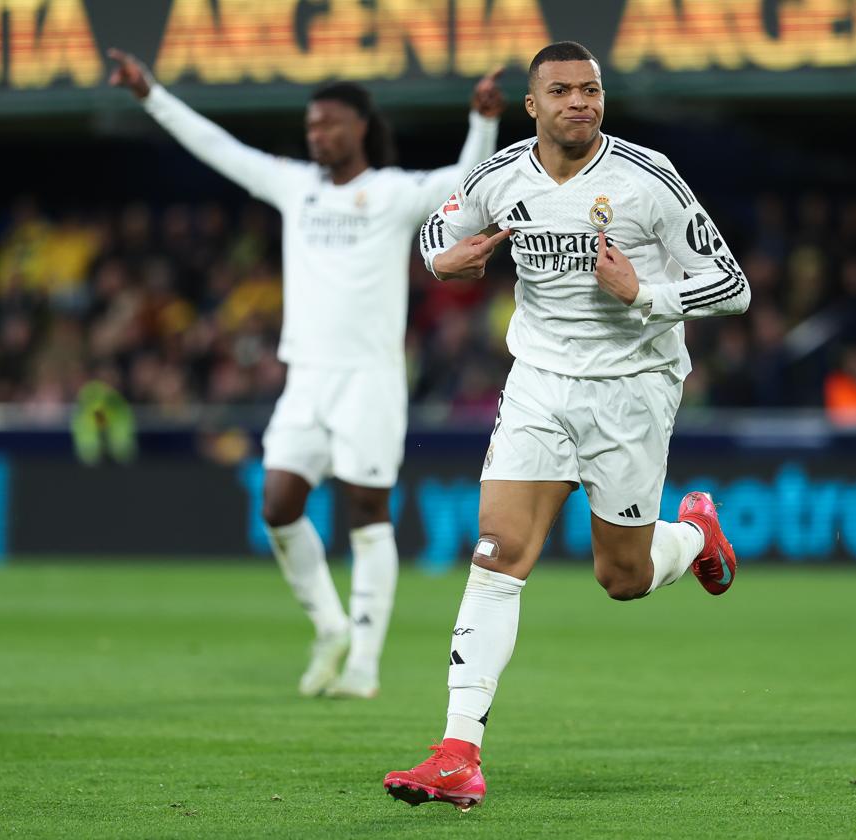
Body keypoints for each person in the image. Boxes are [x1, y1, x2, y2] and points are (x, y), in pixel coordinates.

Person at [382, 41, 749, 811]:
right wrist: (444, 264)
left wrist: (643, 292)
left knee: (622, 577)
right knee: (497, 553)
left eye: (591, 89)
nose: (579, 102)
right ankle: (457, 753)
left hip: (633, 388)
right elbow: (434, 234)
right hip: (539, 384)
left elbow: (733, 285)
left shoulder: (649, 179)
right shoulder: (498, 176)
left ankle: (692, 537)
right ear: (533, 105)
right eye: (562, 91)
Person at [107, 49, 505, 700]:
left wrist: (482, 123)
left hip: (370, 376)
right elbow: (217, 147)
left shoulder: (394, 192)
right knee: (278, 503)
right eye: (311, 124)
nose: (317, 133)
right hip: (307, 377)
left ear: (360, 127)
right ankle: (329, 625)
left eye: (329, 123)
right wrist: (150, 93)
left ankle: (364, 665)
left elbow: (465, 183)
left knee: (367, 510)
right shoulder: (297, 186)